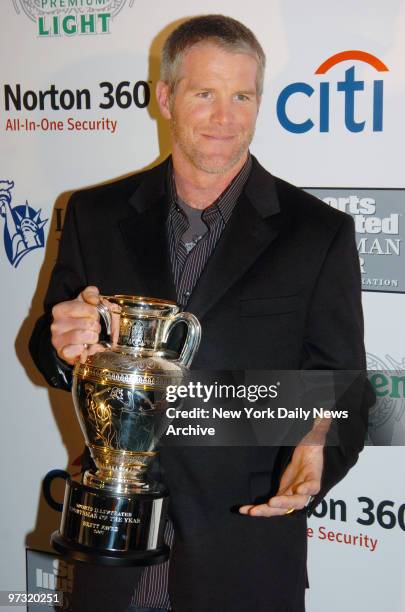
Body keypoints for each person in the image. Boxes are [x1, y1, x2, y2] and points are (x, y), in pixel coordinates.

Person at [29, 15, 372, 612]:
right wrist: (59, 345)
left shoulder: (318, 233)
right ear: (165, 97)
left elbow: (348, 389)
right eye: (204, 93)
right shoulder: (95, 214)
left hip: (243, 557)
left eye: (242, 95)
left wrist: (316, 441)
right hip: (110, 552)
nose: (225, 117)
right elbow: (49, 349)